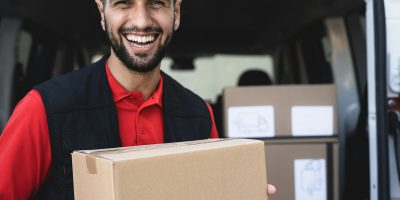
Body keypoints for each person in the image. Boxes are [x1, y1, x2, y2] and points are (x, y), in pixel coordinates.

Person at [0, 0, 276, 199]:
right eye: (124, 3)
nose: (142, 21)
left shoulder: (198, 114)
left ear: (176, 12)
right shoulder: (44, 108)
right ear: (102, 11)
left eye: (156, 3)